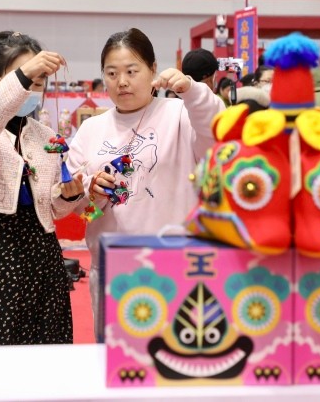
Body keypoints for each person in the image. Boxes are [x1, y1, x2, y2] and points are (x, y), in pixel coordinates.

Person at [66, 27, 226, 322]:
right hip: (114, 268)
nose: (122, 82)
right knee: (117, 349)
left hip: (177, 262)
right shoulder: (90, 130)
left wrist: (191, 90)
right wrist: (91, 191)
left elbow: (217, 129)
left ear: (153, 69)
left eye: (131, 71)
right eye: (111, 73)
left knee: (180, 343)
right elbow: (81, 210)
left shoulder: (180, 114)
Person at [0, 31, 84, 345]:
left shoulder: (45, 135)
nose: (31, 88)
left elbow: (53, 208)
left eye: (39, 81)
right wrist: (25, 75)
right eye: (25, 78)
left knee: (45, 343)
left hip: (41, 255)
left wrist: (68, 195)